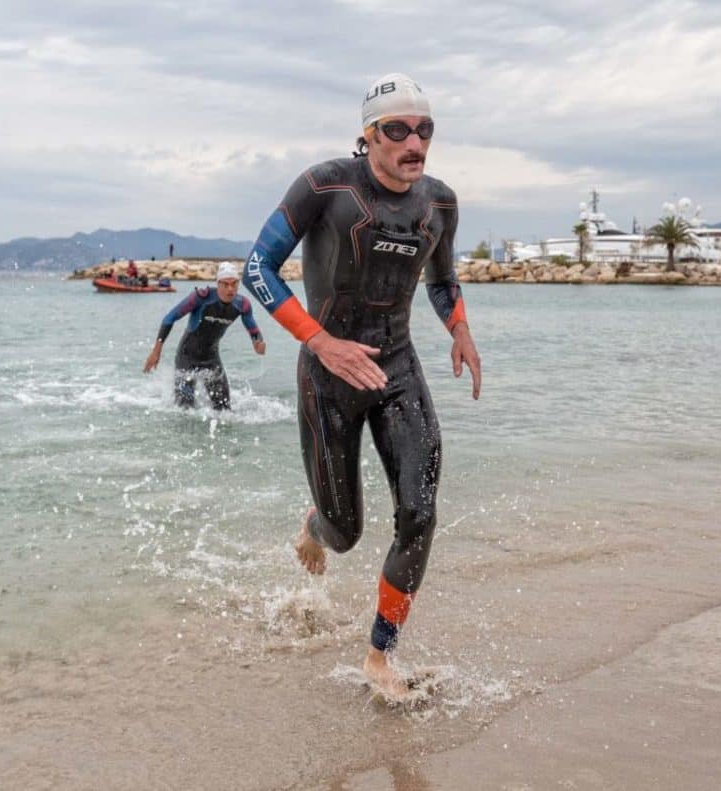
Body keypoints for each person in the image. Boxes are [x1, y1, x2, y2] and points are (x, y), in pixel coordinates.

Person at [241, 73, 481, 697]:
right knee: (344, 533)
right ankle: (314, 525)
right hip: (329, 375)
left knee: (420, 514)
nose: (414, 142)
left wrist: (459, 329)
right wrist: (318, 340)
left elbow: (442, 280)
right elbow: (256, 267)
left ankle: (379, 658)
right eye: (397, 129)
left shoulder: (440, 204)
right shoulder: (326, 186)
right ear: (369, 135)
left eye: (424, 129)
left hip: (397, 368)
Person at [144, 262, 266, 410]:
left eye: (234, 284)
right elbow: (169, 318)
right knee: (185, 410)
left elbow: (253, 330)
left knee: (224, 410)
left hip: (211, 360)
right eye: (225, 284)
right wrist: (156, 351)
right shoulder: (201, 297)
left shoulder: (242, 305)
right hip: (186, 358)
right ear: (218, 283)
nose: (230, 289)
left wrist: (258, 342)